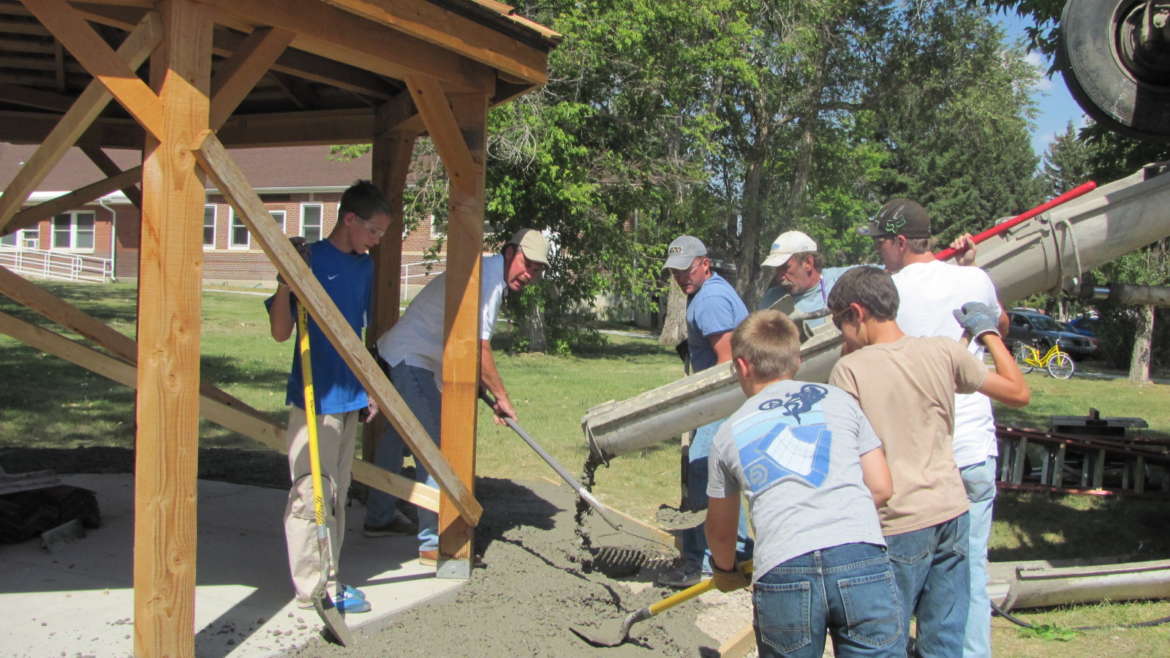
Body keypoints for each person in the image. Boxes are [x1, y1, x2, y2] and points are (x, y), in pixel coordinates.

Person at [826, 267, 1029, 657]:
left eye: (839, 322)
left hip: (897, 521)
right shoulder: (943, 351)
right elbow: (1018, 392)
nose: (840, 333)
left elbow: (845, 456)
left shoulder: (848, 373)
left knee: (884, 641)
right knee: (945, 640)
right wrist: (988, 332)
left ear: (856, 312)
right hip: (951, 514)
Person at [706, 309, 905, 658]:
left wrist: (725, 570)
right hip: (859, 556)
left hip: (785, 569)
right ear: (797, 360)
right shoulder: (841, 401)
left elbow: (721, 532)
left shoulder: (728, 433)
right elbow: (881, 486)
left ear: (740, 366)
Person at [859, 199, 1009, 657]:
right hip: (973, 451)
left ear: (901, 242)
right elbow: (999, 324)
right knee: (969, 581)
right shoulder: (975, 279)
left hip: (916, 458)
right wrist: (966, 269)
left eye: (882, 242)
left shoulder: (888, 293)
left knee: (896, 583)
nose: (880, 252)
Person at [368, 229, 549, 566]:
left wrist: (486, 391)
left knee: (397, 437)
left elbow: (465, 342)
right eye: (528, 264)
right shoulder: (488, 280)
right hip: (410, 359)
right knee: (434, 446)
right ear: (510, 252)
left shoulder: (488, 273)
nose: (530, 275)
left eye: (538, 270)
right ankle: (434, 542)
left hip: (401, 354)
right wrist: (501, 396)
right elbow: (479, 349)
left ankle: (379, 516)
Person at [267, 180, 392, 614]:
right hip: (313, 398)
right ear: (350, 219)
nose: (376, 242)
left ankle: (331, 576)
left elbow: (355, 334)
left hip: (348, 399)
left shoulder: (364, 267)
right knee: (309, 494)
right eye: (373, 232)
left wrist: (369, 387)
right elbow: (282, 332)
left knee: (337, 493)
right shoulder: (310, 260)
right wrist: (285, 282)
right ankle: (312, 586)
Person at [658, 235, 751, 588]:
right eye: (675, 273)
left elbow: (726, 363)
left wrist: (706, 412)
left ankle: (704, 564)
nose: (681, 278)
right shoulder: (709, 293)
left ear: (704, 264)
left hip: (722, 401)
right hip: (721, 402)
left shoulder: (709, 299)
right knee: (722, 477)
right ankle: (737, 553)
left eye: (686, 270)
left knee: (703, 468)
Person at [757, 231, 855, 332]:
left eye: (785, 268)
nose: (779, 277)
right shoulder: (771, 301)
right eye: (777, 269)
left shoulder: (844, 281)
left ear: (808, 263)